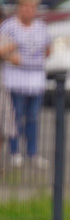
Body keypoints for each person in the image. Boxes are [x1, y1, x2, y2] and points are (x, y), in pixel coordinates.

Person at [0, 0, 50, 169]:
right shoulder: (8, 26)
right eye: (25, 6)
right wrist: (11, 53)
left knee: (33, 119)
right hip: (15, 80)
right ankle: (15, 152)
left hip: (36, 80)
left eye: (32, 7)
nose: (28, 10)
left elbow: (48, 49)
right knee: (16, 117)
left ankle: (32, 153)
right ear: (19, 8)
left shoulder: (42, 27)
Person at [0, 16, 20, 174]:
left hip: (1, 89)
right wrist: (5, 50)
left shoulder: (5, 38)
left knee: (3, 129)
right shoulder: (7, 42)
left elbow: (16, 59)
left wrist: (8, 51)